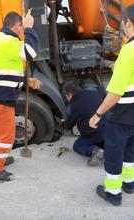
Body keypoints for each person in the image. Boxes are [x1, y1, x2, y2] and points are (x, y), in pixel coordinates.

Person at [0, 10, 42, 181]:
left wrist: (26, 79)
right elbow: (30, 52)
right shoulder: (8, 41)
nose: (23, 31)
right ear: (17, 26)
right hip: (0, 100)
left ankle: (0, 156)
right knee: (6, 136)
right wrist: (31, 28)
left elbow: (6, 70)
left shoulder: (3, 39)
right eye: (22, 28)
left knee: (0, 132)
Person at [89, 4, 134, 206]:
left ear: (128, 23)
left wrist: (98, 114)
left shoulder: (129, 51)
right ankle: (130, 183)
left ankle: (113, 193)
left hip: (123, 112)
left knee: (114, 151)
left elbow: (115, 92)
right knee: (131, 149)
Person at [62, 81, 106, 166]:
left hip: (93, 135)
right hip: (109, 130)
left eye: (66, 96)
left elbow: (68, 127)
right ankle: (108, 148)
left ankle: (94, 150)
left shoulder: (72, 106)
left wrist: (64, 122)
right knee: (104, 140)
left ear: (69, 94)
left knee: (77, 146)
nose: (67, 99)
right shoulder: (96, 91)